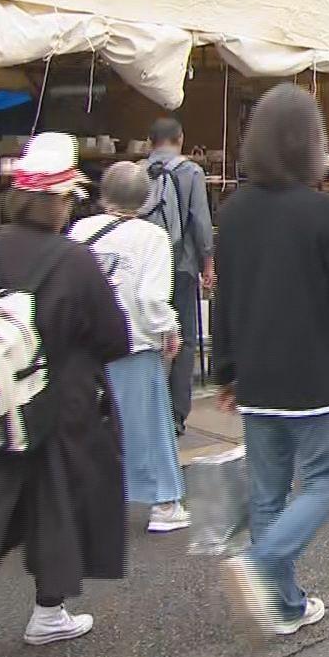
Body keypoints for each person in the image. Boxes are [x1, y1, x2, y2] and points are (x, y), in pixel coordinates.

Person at [0, 132, 131, 646]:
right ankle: (48, 610)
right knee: (58, 502)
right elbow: (115, 336)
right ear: (57, 200)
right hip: (58, 401)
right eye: (67, 197)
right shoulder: (75, 260)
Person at [213, 87, 329, 638]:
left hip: (258, 378)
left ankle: (283, 604)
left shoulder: (235, 212)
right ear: (309, 145)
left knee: (268, 492)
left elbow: (225, 295)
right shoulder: (323, 213)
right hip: (314, 377)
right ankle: (262, 567)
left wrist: (225, 368)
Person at [71, 162, 188, 535]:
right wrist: (170, 329)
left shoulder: (79, 231)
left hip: (83, 342)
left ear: (103, 194)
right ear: (146, 198)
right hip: (132, 340)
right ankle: (164, 503)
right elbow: (150, 297)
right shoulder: (152, 237)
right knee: (147, 424)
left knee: (83, 422)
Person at [139, 118, 214, 435]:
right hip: (181, 265)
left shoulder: (137, 172)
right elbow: (200, 220)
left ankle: (147, 409)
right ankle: (176, 414)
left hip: (144, 266)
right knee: (182, 340)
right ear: (180, 139)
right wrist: (207, 263)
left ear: (149, 141)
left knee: (147, 336)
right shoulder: (191, 172)